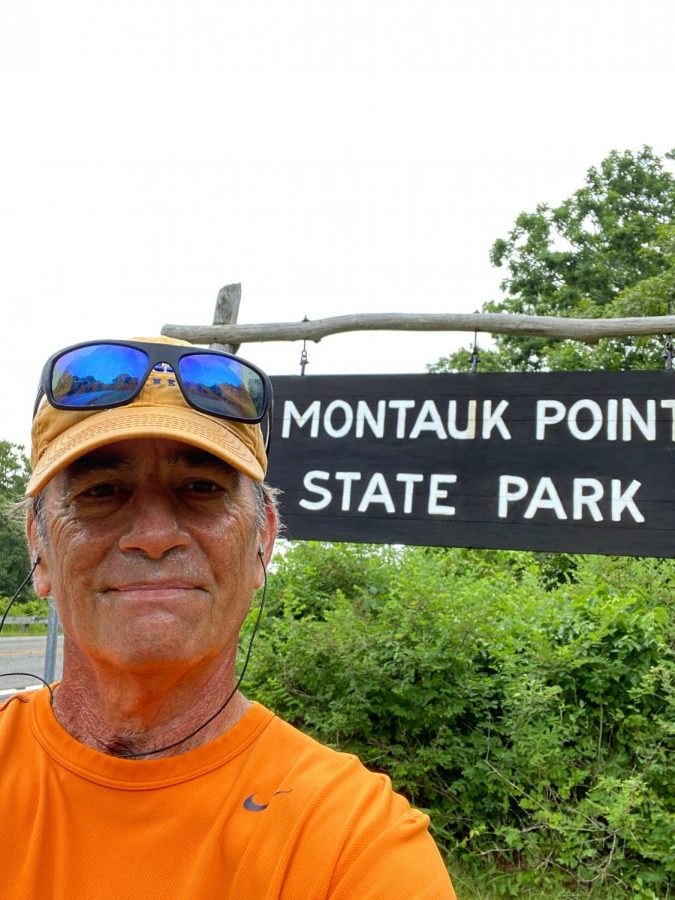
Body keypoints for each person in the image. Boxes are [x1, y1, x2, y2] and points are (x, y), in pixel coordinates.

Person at [0, 335, 456, 899]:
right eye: (102, 490)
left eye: (201, 488)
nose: (154, 535)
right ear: (38, 547)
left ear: (262, 540)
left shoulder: (353, 844)